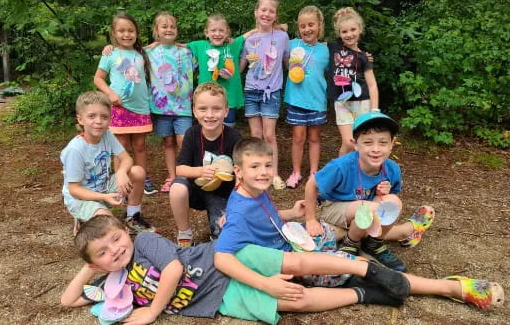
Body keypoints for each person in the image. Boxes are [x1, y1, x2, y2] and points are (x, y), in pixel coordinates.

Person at [212, 137, 504, 323]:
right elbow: (221, 257)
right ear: (238, 171)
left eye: (267, 165)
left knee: (338, 225)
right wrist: (265, 284)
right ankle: (450, 287)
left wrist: (291, 213)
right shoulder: (237, 213)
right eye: (254, 167)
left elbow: (265, 218)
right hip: (294, 260)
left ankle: (400, 231)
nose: (263, 172)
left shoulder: (253, 191)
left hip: (295, 238)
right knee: (360, 264)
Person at [61, 215, 504, 325]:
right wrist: (89, 268)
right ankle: (367, 292)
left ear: (127, 232)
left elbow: (175, 269)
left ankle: (444, 286)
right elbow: (69, 300)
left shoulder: (146, 244)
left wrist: (153, 311)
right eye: (104, 251)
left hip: (223, 261)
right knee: (294, 301)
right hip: (218, 299)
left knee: (297, 262)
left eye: (117, 238)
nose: (116, 250)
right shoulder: (112, 284)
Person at [304, 111, 434, 272]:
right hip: (335, 209)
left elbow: (386, 206)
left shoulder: (392, 169)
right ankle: (352, 244)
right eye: (368, 142)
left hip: (366, 215)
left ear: (392, 143)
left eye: (383, 142)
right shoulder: (341, 166)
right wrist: (310, 219)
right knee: (370, 209)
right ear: (355, 144)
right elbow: (311, 185)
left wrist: (383, 194)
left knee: (393, 202)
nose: (376, 149)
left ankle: (374, 244)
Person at [60, 91, 157, 235]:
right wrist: (104, 198)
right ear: (80, 119)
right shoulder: (75, 150)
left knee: (138, 172)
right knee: (112, 228)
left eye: (104, 116)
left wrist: (121, 173)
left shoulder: (107, 135)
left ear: (110, 119)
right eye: (92, 116)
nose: (99, 121)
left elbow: (126, 158)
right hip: (81, 199)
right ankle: (84, 220)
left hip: (104, 188)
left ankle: (132, 217)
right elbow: (74, 190)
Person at [169, 82, 242, 247]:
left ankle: (217, 233)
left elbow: (241, 174)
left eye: (216, 109)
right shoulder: (192, 134)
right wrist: (201, 171)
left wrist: (235, 206)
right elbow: (179, 169)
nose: (209, 115)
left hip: (222, 193)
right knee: (177, 188)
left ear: (226, 111)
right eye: (203, 109)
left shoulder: (234, 137)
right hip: (195, 189)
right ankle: (185, 234)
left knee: (223, 238)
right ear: (194, 111)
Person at [94, 13, 158, 196]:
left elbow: (162, 45)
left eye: (131, 30)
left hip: (141, 108)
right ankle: (120, 180)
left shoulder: (142, 53)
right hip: (120, 109)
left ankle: (142, 178)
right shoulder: (110, 54)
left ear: (136, 32)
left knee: (140, 146)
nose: (126, 34)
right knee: (121, 146)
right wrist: (111, 94)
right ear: (114, 33)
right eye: (121, 31)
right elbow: (98, 79)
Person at [241, 0, 290, 190]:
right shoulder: (247, 39)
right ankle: (257, 173)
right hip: (251, 90)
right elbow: (240, 67)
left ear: (276, 16)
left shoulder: (282, 37)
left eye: (271, 11)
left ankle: (274, 174)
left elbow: (289, 63)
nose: (266, 14)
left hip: (272, 92)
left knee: (269, 136)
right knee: (256, 134)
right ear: (256, 12)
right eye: (263, 10)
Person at [145, 12, 194, 193]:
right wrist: (110, 47)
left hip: (183, 106)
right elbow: (127, 53)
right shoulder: (148, 52)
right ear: (156, 31)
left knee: (184, 141)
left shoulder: (187, 51)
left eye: (172, 26)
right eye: (164, 27)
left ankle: (187, 175)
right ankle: (172, 176)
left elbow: (206, 55)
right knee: (167, 142)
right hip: (161, 107)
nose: (169, 29)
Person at [283, 6, 329, 189]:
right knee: (298, 137)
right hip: (296, 99)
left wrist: (365, 57)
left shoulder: (326, 50)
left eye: (311, 25)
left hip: (317, 101)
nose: (307, 29)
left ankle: (314, 172)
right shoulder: (292, 44)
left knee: (315, 137)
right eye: (303, 26)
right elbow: (272, 35)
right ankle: (296, 172)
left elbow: (346, 56)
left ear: (319, 26)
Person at [328, 7, 380, 157]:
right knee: (349, 142)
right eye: (344, 32)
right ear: (339, 33)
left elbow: (372, 85)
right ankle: (339, 174)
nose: (349, 34)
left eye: (353, 30)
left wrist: (375, 110)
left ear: (360, 30)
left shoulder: (364, 57)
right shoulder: (333, 47)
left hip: (363, 103)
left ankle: (359, 173)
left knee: (362, 143)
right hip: (342, 103)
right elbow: (312, 44)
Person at [187, 13, 253, 127]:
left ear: (227, 32)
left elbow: (254, 32)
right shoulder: (200, 46)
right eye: (213, 30)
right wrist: (153, 45)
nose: (217, 34)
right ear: (206, 32)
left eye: (221, 30)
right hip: (206, 100)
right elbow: (177, 46)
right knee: (207, 131)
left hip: (229, 100)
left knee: (226, 133)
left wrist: (277, 27)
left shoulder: (233, 45)